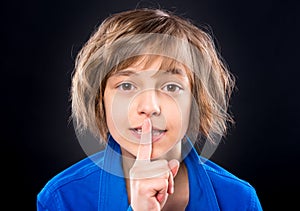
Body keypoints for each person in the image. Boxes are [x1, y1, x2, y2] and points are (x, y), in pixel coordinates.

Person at [37, 8, 263, 211]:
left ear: (197, 102)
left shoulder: (240, 200)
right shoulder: (62, 199)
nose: (149, 107)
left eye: (171, 87)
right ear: (100, 101)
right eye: (126, 86)